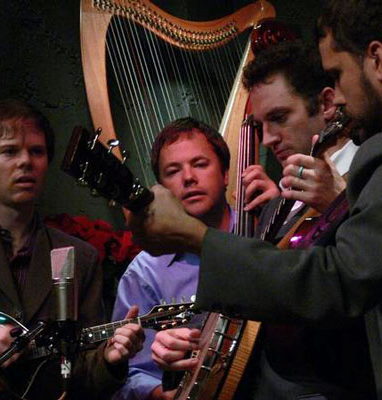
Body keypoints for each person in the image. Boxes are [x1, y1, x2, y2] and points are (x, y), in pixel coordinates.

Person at [127, 1, 382, 396]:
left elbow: (335, 285)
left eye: (279, 118)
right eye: (260, 125)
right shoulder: (284, 197)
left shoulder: (358, 173)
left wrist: (198, 237)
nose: (268, 139)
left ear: (326, 103)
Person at [0, 99, 144, 400]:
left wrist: (110, 360)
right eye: (9, 151)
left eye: (37, 151)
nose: (25, 162)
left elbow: (83, 377)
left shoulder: (79, 257)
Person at [111, 117, 234, 400]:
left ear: (226, 174)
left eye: (200, 164)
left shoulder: (262, 232)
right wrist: (161, 395)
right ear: (162, 190)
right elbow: (127, 373)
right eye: (173, 171)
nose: (189, 177)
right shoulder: (144, 272)